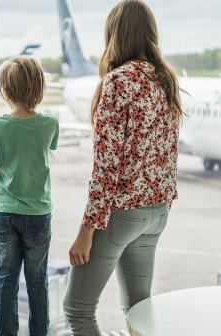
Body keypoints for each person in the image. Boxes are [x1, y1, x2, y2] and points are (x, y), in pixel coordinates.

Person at [62, 1, 187, 335]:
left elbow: (106, 165)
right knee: (139, 310)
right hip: (157, 211)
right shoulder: (166, 79)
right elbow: (168, 152)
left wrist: (87, 230)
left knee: (76, 309)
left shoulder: (118, 82)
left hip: (122, 213)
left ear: (114, 35)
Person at [0, 56, 59, 336]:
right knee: (37, 283)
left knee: (6, 282)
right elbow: (39, 145)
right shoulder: (50, 123)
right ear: (40, 88)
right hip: (38, 215)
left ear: (4, 91)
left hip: (5, 215)